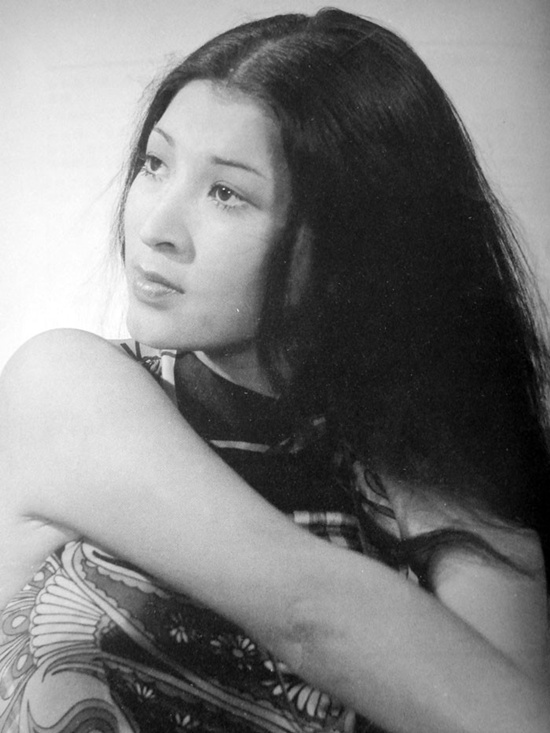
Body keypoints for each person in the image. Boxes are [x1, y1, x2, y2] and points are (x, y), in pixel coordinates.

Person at [0, 8, 549, 733]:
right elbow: (309, 614)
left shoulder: (432, 469)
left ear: (351, 242)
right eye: (156, 164)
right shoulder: (64, 388)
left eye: (226, 193)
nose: (156, 228)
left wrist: (430, 473)